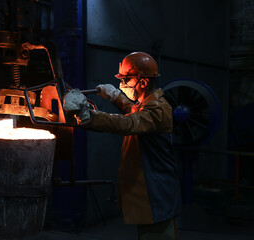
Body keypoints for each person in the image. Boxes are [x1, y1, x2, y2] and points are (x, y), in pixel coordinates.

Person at [63, 52, 181, 240]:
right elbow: (134, 111)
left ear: (142, 82)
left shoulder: (158, 108)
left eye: (126, 80)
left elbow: (129, 123)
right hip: (153, 188)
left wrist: (89, 116)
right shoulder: (148, 103)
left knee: (157, 234)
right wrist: (115, 96)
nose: (123, 84)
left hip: (156, 190)